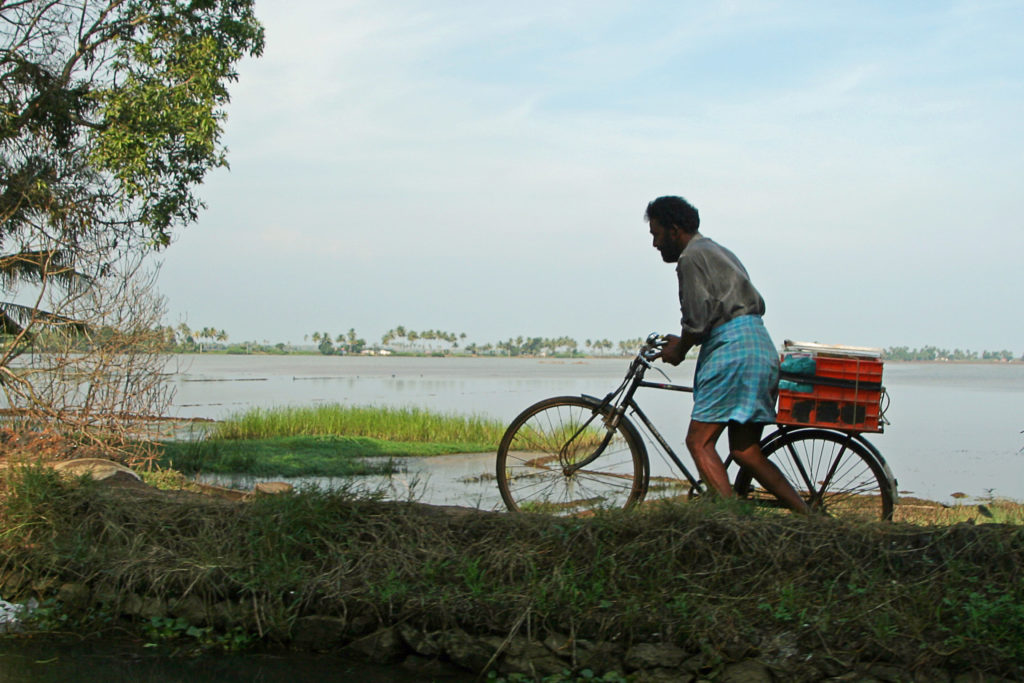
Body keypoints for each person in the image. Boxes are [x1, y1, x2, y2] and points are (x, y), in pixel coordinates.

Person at [645, 195, 809, 514]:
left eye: (656, 234)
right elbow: (713, 315)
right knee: (746, 452)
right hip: (758, 344)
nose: (654, 243)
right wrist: (685, 340)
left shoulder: (691, 258)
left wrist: (678, 350)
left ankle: (733, 522)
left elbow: (697, 320)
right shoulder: (717, 250)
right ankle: (810, 517)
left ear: (674, 230)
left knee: (699, 442)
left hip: (732, 351)